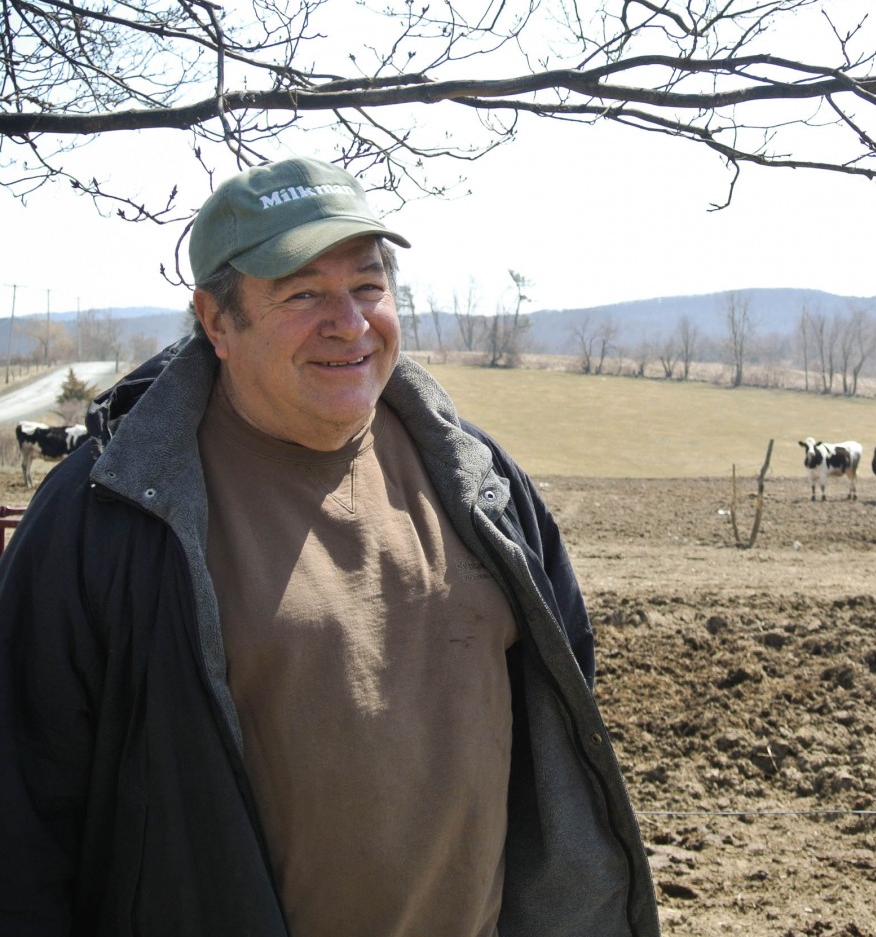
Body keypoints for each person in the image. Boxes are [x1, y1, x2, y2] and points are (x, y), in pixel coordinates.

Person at [0, 156, 660, 937]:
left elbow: (562, 717)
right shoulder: (107, 516)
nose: (348, 322)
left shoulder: (482, 486)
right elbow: (26, 814)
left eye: (369, 287)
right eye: (303, 293)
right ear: (217, 321)